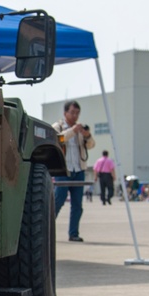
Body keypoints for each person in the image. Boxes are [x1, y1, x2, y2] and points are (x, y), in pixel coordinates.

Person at [51, 100, 95, 241]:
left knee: (77, 205)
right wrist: (73, 131)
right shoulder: (58, 126)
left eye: (77, 113)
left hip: (78, 169)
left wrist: (86, 135)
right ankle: (48, 230)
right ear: (65, 113)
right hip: (63, 170)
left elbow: (92, 145)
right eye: (72, 112)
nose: (75, 116)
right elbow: (58, 139)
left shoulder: (80, 130)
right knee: (58, 201)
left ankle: (73, 233)